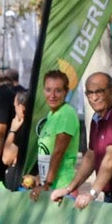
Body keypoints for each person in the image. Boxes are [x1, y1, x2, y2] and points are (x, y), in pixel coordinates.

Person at [51, 72, 112, 207]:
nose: (94, 98)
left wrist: (91, 193)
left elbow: (111, 159)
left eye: (99, 92)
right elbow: (91, 157)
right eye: (90, 93)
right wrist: (69, 189)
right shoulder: (97, 117)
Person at [29, 70, 80, 199]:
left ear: (66, 92)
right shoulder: (52, 114)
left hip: (62, 187)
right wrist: (39, 177)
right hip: (49, 185)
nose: (52, 95)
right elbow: (47, 152)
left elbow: (58, 152)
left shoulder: (66, 114)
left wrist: (46, 184)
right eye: (48, 90)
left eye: (58, 90)